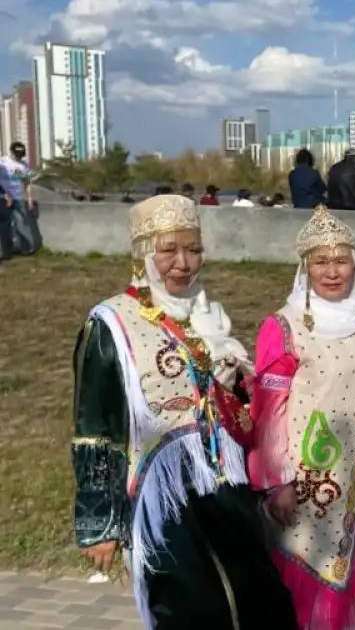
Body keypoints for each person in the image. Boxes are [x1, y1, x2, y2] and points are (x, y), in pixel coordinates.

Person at [71, 195, 295, 628]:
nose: (183, 262)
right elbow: (96, 428)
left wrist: (237, 385)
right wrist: (100, 523)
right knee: (188, 604)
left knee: (258, 595)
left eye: (193, 249)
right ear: (143, 254)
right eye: (169, 249)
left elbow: (236, 408)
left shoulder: (209, 316)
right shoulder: (111, 323)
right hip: (161, 492)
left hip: (223, 482)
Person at [248, 206, 355, 629]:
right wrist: (276, 481)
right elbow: (269, 413)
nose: (332, 272)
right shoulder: (284, 327)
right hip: (308, 478)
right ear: (305, 268)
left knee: (351, 579)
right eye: (321, 262)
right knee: (308, 582)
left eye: (341, 261)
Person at [0, 141, 41, 255]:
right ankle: (6, 250)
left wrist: (29, 199)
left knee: (22, 223)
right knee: (5, 225)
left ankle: (26, 248)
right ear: (11, 152)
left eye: (20, 155)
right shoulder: (3, 162)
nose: (18, 157)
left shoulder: (24, 165)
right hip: (4, 198)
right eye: (17, 155)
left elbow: (27, 183)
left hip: (18, 198)